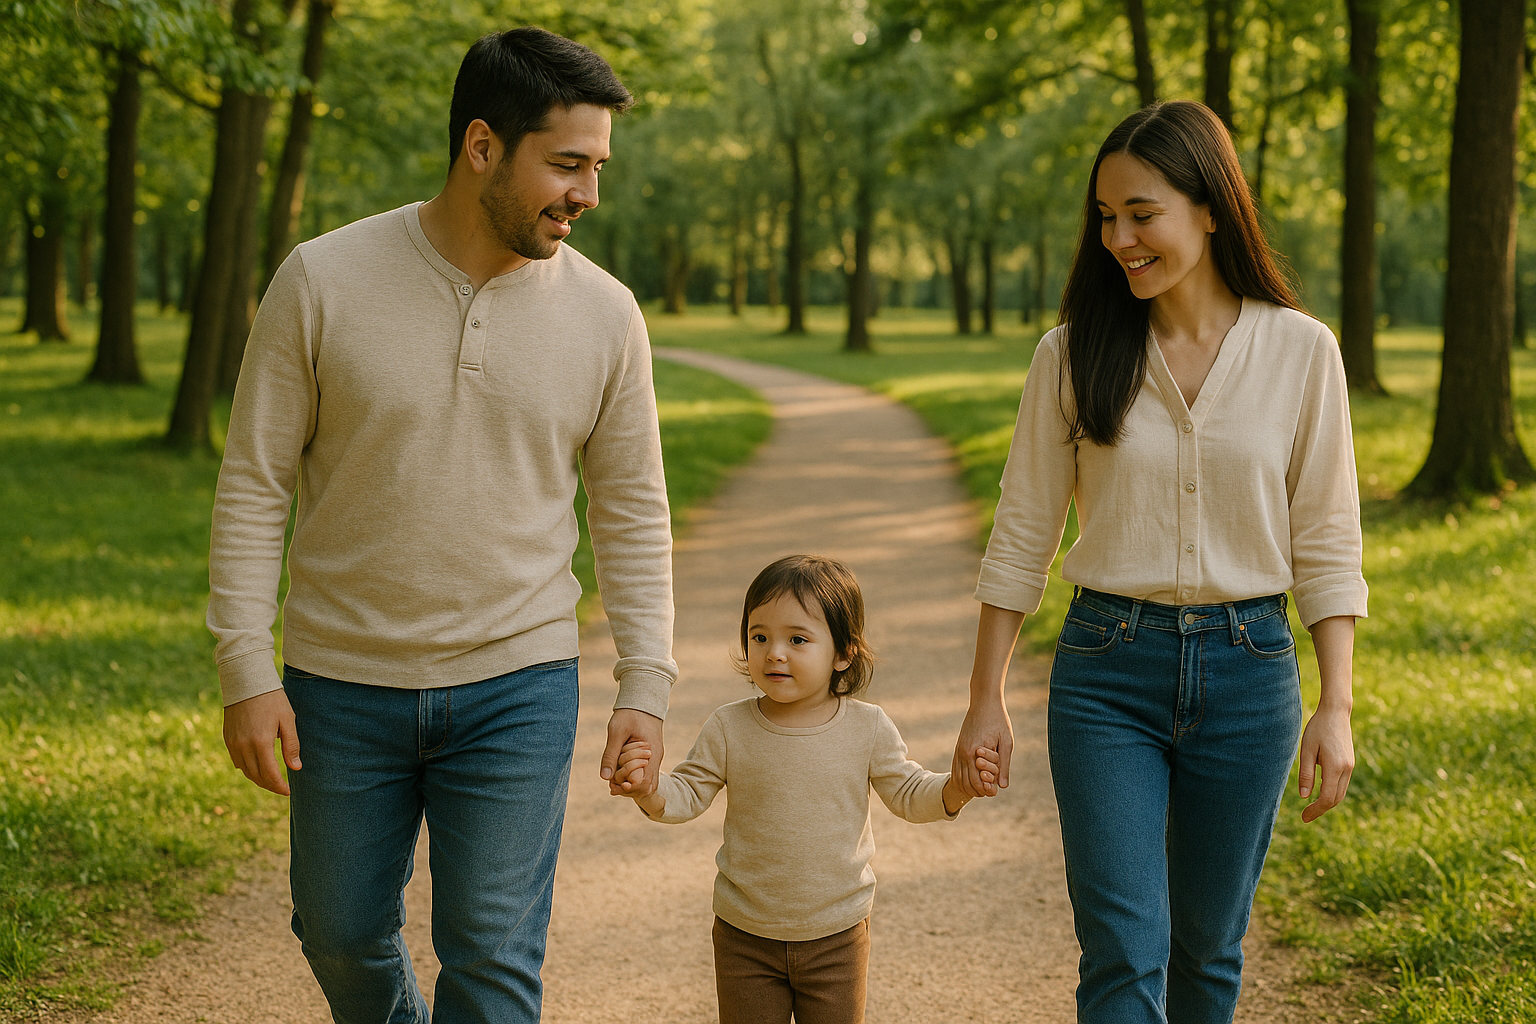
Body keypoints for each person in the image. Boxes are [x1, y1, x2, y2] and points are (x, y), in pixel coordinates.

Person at [207, 28, 676, 1023]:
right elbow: (254, 482)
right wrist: (245, 666)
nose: (587, 192)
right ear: (480, 147)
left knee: (497, 960)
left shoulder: (608, 315)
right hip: (341, 683)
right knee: (335, 929)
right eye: (566, 163)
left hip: (520, 680)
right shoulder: (322, 281)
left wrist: (648, 682)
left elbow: (633, 508)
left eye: (597, 166)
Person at [950, 100, 1368, 1023]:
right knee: (1124, 954)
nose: (1120, 238)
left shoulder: (1303, 352)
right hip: (1107, 674)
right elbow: (1022, 533)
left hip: (1251, 671)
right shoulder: (1070, 355)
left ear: (1211, 208)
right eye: (1106, 218)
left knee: (1207, 953)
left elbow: (1329, 539)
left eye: (1143, 214)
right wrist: (986, 699)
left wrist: (1335, 704)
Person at [612, 555, 1001, 1024]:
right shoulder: (729, 726)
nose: (775, 652)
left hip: (837, 936)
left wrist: (956, 789)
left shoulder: (867, 727)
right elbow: (687, 794)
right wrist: (649, 789)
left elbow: (910, 792)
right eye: (760, 637)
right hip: (744, 937)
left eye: (797, 639)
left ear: (843, 653)